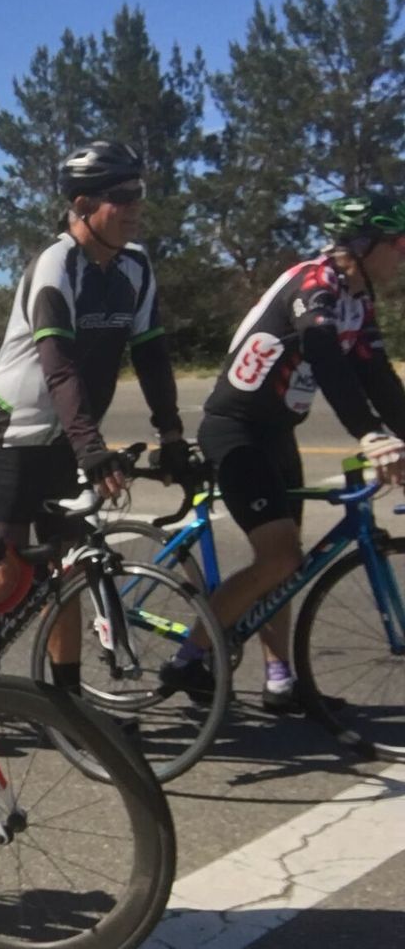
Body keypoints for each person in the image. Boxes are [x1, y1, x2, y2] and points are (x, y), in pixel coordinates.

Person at [0, 141, 189, 705]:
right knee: (1, 578)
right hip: (13, 436)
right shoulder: (55, 265)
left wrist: (172, 435)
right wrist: (92, 447)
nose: (136, 205)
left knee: (67, 572)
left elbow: (152, 356)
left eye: (139, 192)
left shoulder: (135, 267)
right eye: (123, 196)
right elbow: (58, 366)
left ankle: (68, 705)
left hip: (69, 437)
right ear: (84, 205)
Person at [161, 193, 405, 710]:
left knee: (286, 566)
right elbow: (326, 358)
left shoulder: (356, 300)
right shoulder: (315, 285)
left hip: (275, 433)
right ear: (365, 245)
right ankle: (187, 657)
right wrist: (369, 434)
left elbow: (376, 376)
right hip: (235, 430)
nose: (403, 256)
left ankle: (278, 679)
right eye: (399, 244)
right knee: (280, 555)